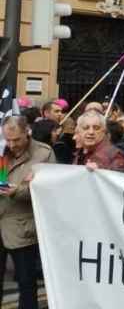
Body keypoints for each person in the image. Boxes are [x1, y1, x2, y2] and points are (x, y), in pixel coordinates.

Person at [0, 116, 55, 309]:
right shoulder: (2, 150)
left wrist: (18, 191)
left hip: (23, 228)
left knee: (26, 283)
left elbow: (48, 190)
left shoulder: (43, 153)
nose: (12, 144)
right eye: (8, 139)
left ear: (27, 132)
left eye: (16, 140)